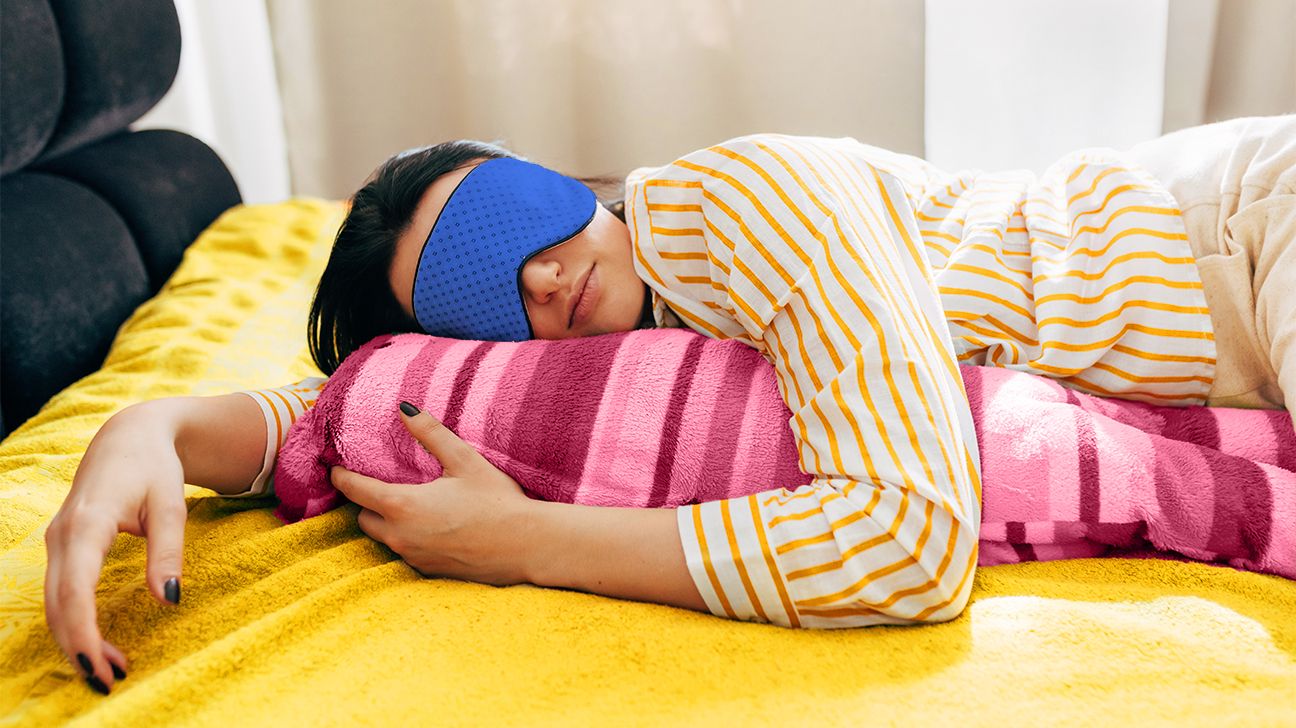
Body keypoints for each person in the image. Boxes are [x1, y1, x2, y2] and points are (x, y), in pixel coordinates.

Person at [44, 115, 1294, 695]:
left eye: (504, 217)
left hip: (1247, 232)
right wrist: (152, 425)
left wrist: (529, 544)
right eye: (483, 295)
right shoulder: (619, 341)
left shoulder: (745, 199)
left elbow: (909, 542)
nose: (536, 275)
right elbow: (344, 407)